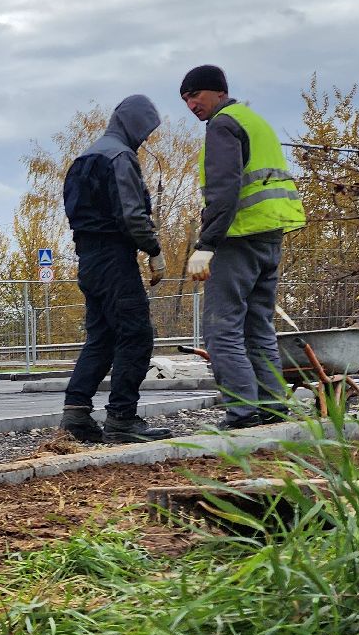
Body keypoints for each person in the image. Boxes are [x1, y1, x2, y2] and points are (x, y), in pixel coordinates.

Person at [180, 65, 308, 428]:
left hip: (238, 238)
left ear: (218, 92)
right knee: (259, 326)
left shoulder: (222, 125)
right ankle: (272, 406)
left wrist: (206, 244)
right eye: (186, 100)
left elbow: (225, 190)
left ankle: (241, 411)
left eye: (195, 95)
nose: (191, 105)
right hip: (270, 234)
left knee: (222, 329)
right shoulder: (255, 121)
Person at [58, 94, 170, 443]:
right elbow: (131, 215)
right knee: (136, 335)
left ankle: (76, 414)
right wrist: (153, 249)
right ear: (133, 123)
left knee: (102, 337)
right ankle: (122, 417)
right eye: (145, 129)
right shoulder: (119, 157)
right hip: (114, 259)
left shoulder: (83, 158)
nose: (145, 138)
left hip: (88, 259)